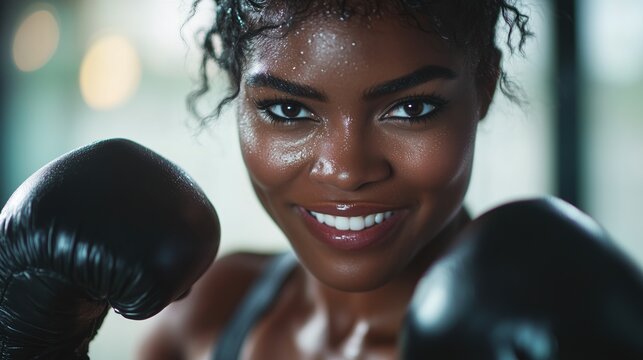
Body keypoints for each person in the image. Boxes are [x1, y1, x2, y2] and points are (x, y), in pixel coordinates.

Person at [138, 0, 534, 358]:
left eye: (412, 108)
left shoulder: (555, 333)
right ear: (236, 89)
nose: (347, 173)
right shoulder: (206, 316)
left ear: (484, 86)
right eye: (289, 109)